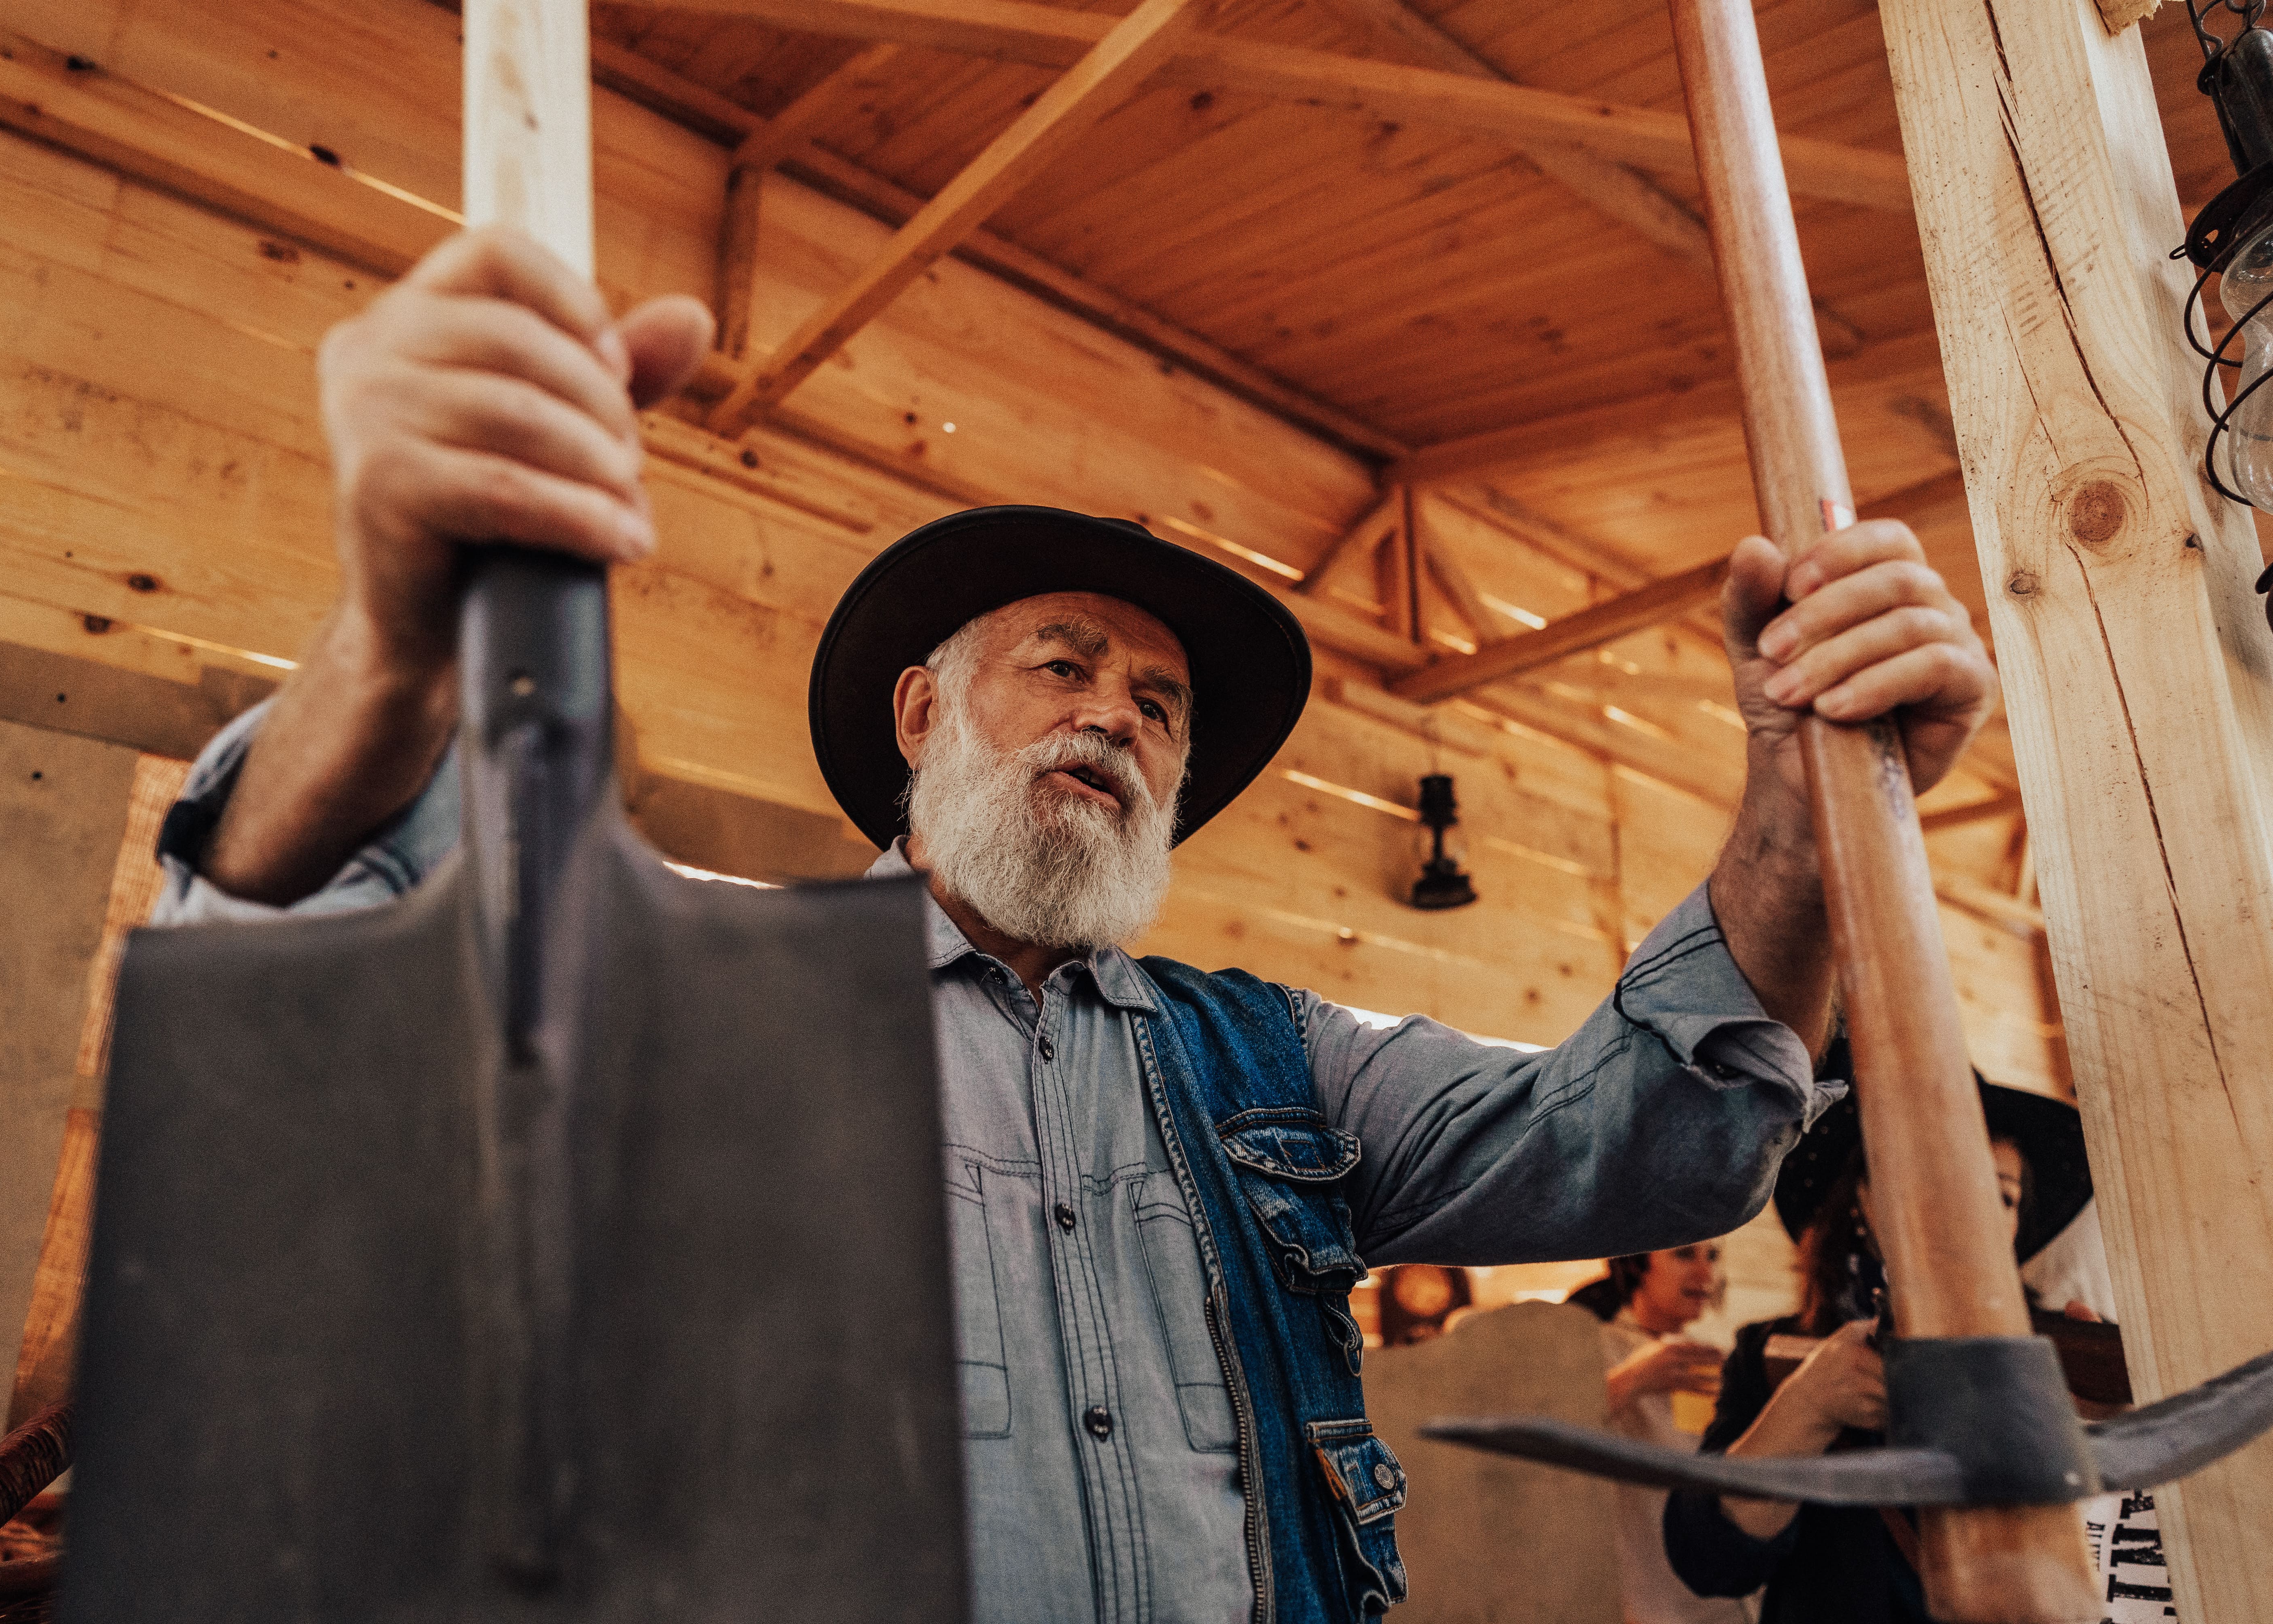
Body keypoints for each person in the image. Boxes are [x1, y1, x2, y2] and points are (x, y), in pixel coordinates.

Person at [152, 227, 2001, 1623]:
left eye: (1161, 702)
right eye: (1061, 663)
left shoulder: (1277, 1068)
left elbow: (1649, 1137)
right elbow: (303, 967)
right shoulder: (704, 992)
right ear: (920, 717)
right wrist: (395, 645)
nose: (1117, 711)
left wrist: (1794, 800)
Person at [1662, 1044, 2092, 1624]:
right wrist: (1809, 1409)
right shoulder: (1775, 1354)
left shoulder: (2062, 1350)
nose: (1975, 1210)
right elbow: (1708, 1561)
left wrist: (2099, 1428)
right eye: (1935, 1175)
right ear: (1862, 1200)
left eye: (2004, 1194)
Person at [1569, 1248, 1751, 1624]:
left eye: (1713, 1256)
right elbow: (1540, 1437)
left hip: (1727, 1592)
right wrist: (1634, 1380)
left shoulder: (1711, 1350)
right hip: (1648, 1596)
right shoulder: (1594, 1344)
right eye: (1685, 1256)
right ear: (1636, 1264)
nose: (1705, 1274)